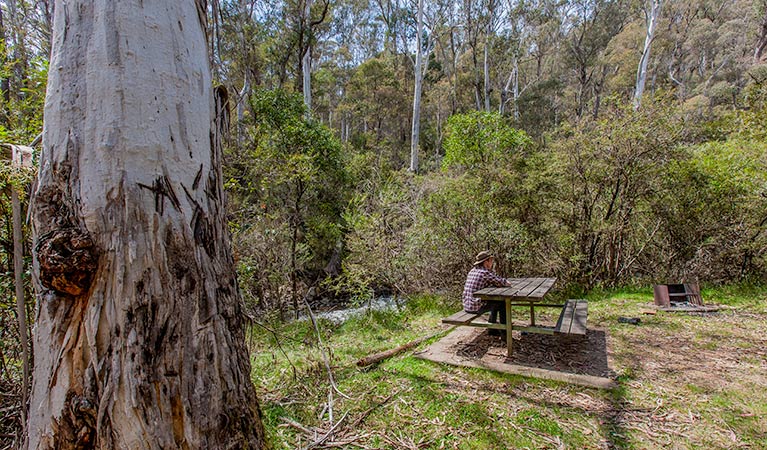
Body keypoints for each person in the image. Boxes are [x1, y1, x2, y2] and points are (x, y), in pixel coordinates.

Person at [462, 251, 512, 335]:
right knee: (502, 303)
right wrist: (506, 282)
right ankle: (505, 333)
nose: (492, 263)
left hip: (467, 304)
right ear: (486, 262)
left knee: (496, 302)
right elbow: (502, 282)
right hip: (475, 307)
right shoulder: (484, 273)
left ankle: (492, 329)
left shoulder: (472, 271)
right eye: (491, 260)